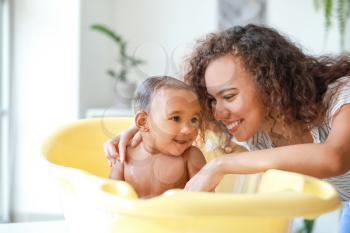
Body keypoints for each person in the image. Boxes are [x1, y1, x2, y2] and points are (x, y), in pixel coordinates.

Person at [103, 25, 350, 231]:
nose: (218, 112)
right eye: (211, 100)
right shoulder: (257, 129)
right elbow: (171, 105)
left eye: (229, 96)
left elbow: (334, 157)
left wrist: (220, 165)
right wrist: (141, 133)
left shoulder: (341, 95)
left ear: (270, 85)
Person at [107, 76, 206, 198]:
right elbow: (110, 198)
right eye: (176, 118)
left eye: (193, 119)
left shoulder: (191, 157)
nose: (188, 129)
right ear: (143, 122)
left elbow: (206, 202)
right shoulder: (124, 157)